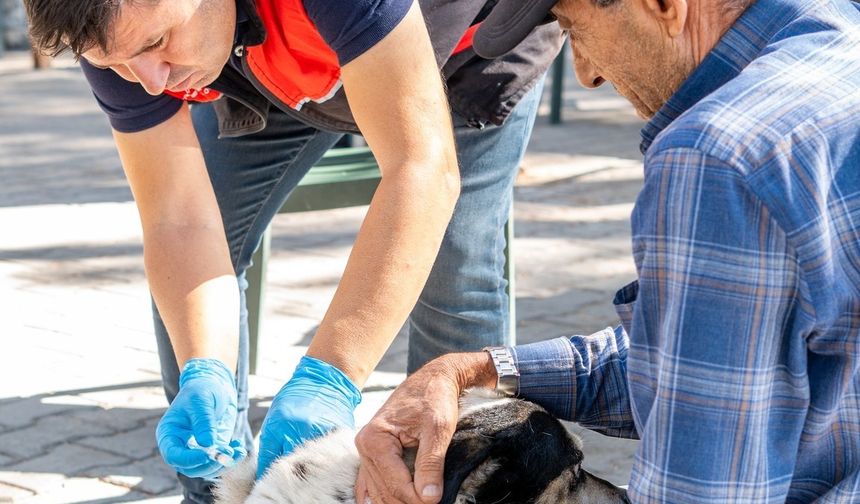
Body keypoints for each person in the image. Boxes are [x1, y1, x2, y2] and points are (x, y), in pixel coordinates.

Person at [23, 0, 564, 502]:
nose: (151, 79)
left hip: (462, 50)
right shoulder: (115, 27)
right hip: (276, 62)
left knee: (455, 269)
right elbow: (177, 218)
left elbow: (421, 167)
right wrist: (204, 365)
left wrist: (331, 375)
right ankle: (218, 490)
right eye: (117, 63)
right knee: (206, 244)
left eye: (158, 41)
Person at [354, 0, 860, 502]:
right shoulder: (839, 46)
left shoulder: (713, 155)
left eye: (576, 29)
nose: (588, 74)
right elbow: (705, 356)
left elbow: (699, 488)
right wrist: (481, 369)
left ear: (664, 7)